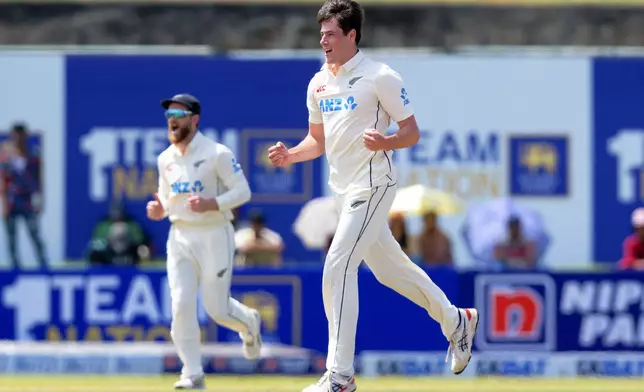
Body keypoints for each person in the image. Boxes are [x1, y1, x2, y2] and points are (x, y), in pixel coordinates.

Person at [267, 1, 477, 391]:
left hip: (374, 184)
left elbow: (411, 132)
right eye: (321, 33)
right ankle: (456, 320)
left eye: (331, 33)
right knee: (389, 270)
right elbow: (317, 141)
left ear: (352, 35)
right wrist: (290, 155)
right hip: (343, 193)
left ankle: (340, 376)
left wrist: (388, 140)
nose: (323, 40)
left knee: (338, 265)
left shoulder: (380, 77)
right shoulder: (318, 83)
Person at [147, 93, 263, 390]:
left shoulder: (217, 153)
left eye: (179, 113)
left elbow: (243, 192)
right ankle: (192, 373)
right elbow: (166, 198)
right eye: (169, 114)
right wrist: (159, 209)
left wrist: (213, 203)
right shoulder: (165, 159)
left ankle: (249, 322)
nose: (172, 119)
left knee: (216, 309)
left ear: (194, 119)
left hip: (214, 234)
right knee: (181, 304)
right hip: (180, 235)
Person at [0, 122, 47, 268]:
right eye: (15, 136)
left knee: (34, 234)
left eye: (21, 135)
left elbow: (39, 180)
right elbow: (2, 180)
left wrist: (40, 201)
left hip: (27, 201)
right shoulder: (6, 157)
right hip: (12, 200)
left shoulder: (33, 155)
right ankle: (15, 266)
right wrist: (4, 205)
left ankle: (43, 263)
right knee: (12, 237)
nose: (18, 139)